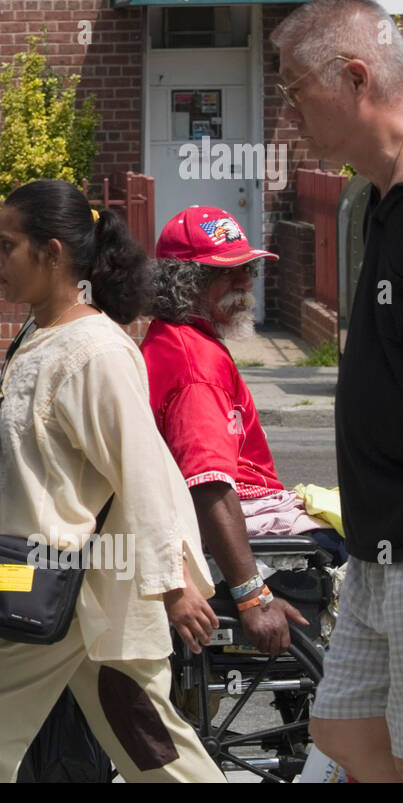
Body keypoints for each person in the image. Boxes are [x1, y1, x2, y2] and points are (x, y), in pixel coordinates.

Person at [0, 180, 225, 783]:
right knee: (152, 748)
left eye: (7, 246)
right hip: (54, 587)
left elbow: (144, 470)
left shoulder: (94, 351)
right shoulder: (44, 336)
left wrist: (172, 582)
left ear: (54, 253)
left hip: (62, 581)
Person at [271, 0, 403, 783]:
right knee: (341, 726)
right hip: (380, 547)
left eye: (296, 92)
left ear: (357, 77)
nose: (290, 114)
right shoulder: (374, 198)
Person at [141, 206, 339, 657]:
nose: (247, 283)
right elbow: (208, 486)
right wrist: (253, 596)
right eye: (228, 274)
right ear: (185, 282)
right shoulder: (196, 366)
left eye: (247, 270)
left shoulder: (175, 338)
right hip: (242, 531)